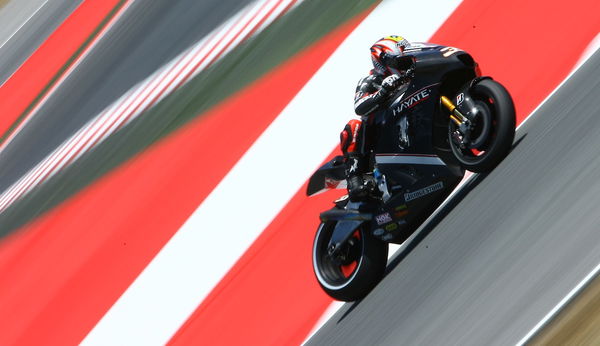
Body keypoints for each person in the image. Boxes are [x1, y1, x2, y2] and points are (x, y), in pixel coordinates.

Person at [339, 35, 414, 201]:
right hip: (383, 136)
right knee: (354, 125)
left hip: (412, 124)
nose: (404, 65)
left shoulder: (412, 73)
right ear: (383, 63)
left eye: (406, 60)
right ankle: (355, 179)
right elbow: (359, 106)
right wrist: (383, 92)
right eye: (399, 62)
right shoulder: (370, 81)